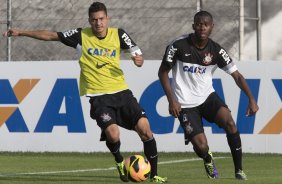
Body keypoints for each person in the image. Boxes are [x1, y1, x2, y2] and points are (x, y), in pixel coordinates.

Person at [3, 2, 167, 183]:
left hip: (122, 93)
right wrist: (21, 32)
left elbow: (138, 55)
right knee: (113, 134)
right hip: (98, 97)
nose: (98, 23)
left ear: (107, 19)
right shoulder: (81, 35)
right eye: (94, 20)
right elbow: (52, 36)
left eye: (101, 19)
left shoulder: (119, 34)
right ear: (89, 21)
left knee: (145, 130)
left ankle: (155, 175)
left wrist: (139, 60)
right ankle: (119, 160)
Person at [158, 10, 259, 180]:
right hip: (184, 104)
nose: (202, 28)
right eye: (198, 24)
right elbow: (162, 73)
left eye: (206, 24)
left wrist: (251, 99)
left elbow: (237, 76)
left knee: (230, 123)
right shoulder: (177, 46)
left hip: (207, 98)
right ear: (193, 26)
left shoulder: (216, 50)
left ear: (212, 27)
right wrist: (172, 100)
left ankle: (239, 171)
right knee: (202, 146)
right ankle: (207, 158)